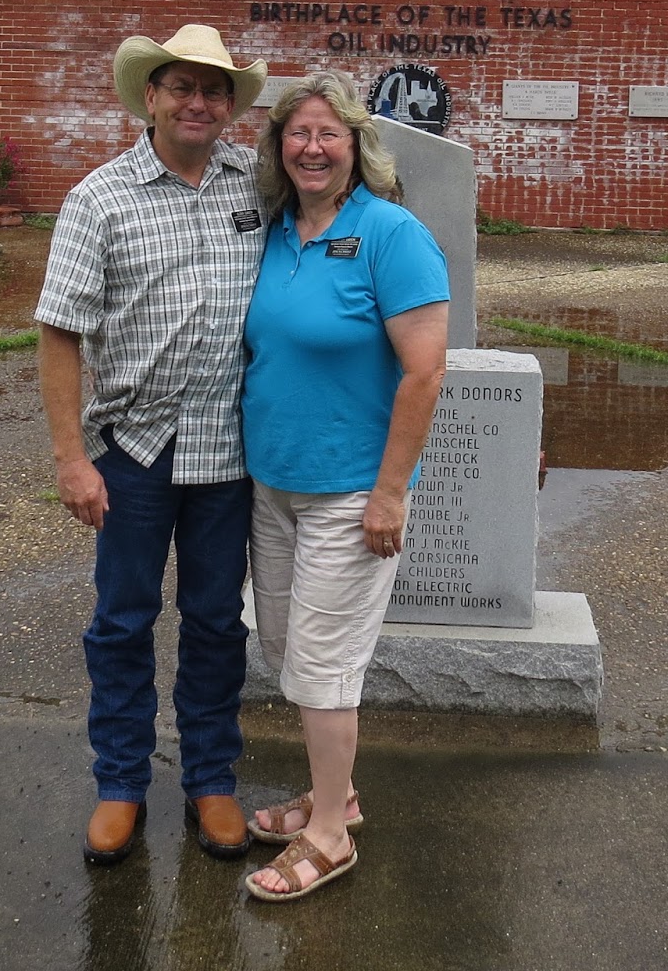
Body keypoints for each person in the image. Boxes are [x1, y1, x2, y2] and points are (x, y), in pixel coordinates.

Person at [35, 23, 269, 867]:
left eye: (214, 90)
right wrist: (71, 458)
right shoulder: (100, 197)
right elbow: (61, 333)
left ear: (228, 105)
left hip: (232, 449)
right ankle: (120, 784)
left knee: (215, 621)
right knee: (123, 621)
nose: (199, 102)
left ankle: (211, 778)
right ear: (152, 97)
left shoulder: (259, 185)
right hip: (134, 449)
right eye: (183, 87)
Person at [239, 71, 449, 902]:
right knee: (290, 653)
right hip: (274, 485)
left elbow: (425, 373)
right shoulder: (276, 230)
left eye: (330, 134)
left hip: (349, 493)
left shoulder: (392, 235)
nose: (313, 148)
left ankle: (330, 837)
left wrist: (390, 492)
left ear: (358, 147)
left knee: (325, 668)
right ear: (278, 148)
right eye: (298, 134)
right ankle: (340, 795)